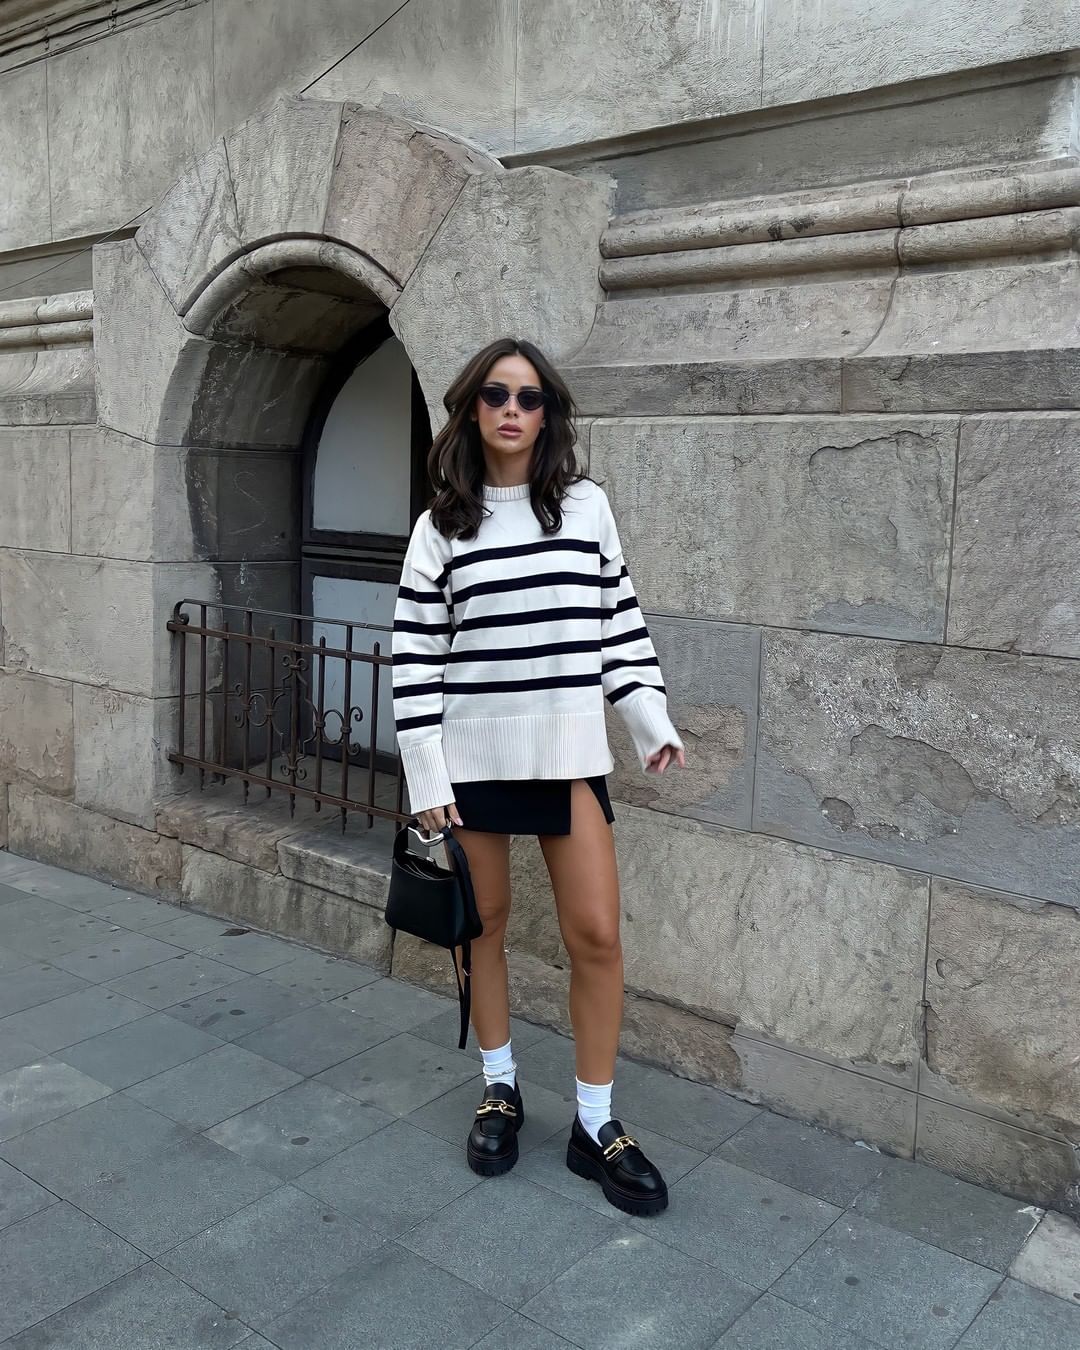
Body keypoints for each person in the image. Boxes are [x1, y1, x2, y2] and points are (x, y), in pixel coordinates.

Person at [391, 337, 685, 1217]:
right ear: (470, 409)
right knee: (482, 929)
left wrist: (648, 720)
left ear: (549, 412)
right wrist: (427, 775)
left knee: (596, 935)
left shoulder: (585, 508)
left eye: (529, 396)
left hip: (566, 754)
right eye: (495, 394)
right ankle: (499, 1087)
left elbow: (617, 622)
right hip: (471, 758)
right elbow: (416, 655)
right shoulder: (441, 526)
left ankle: (595, 1124)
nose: (512, 409)